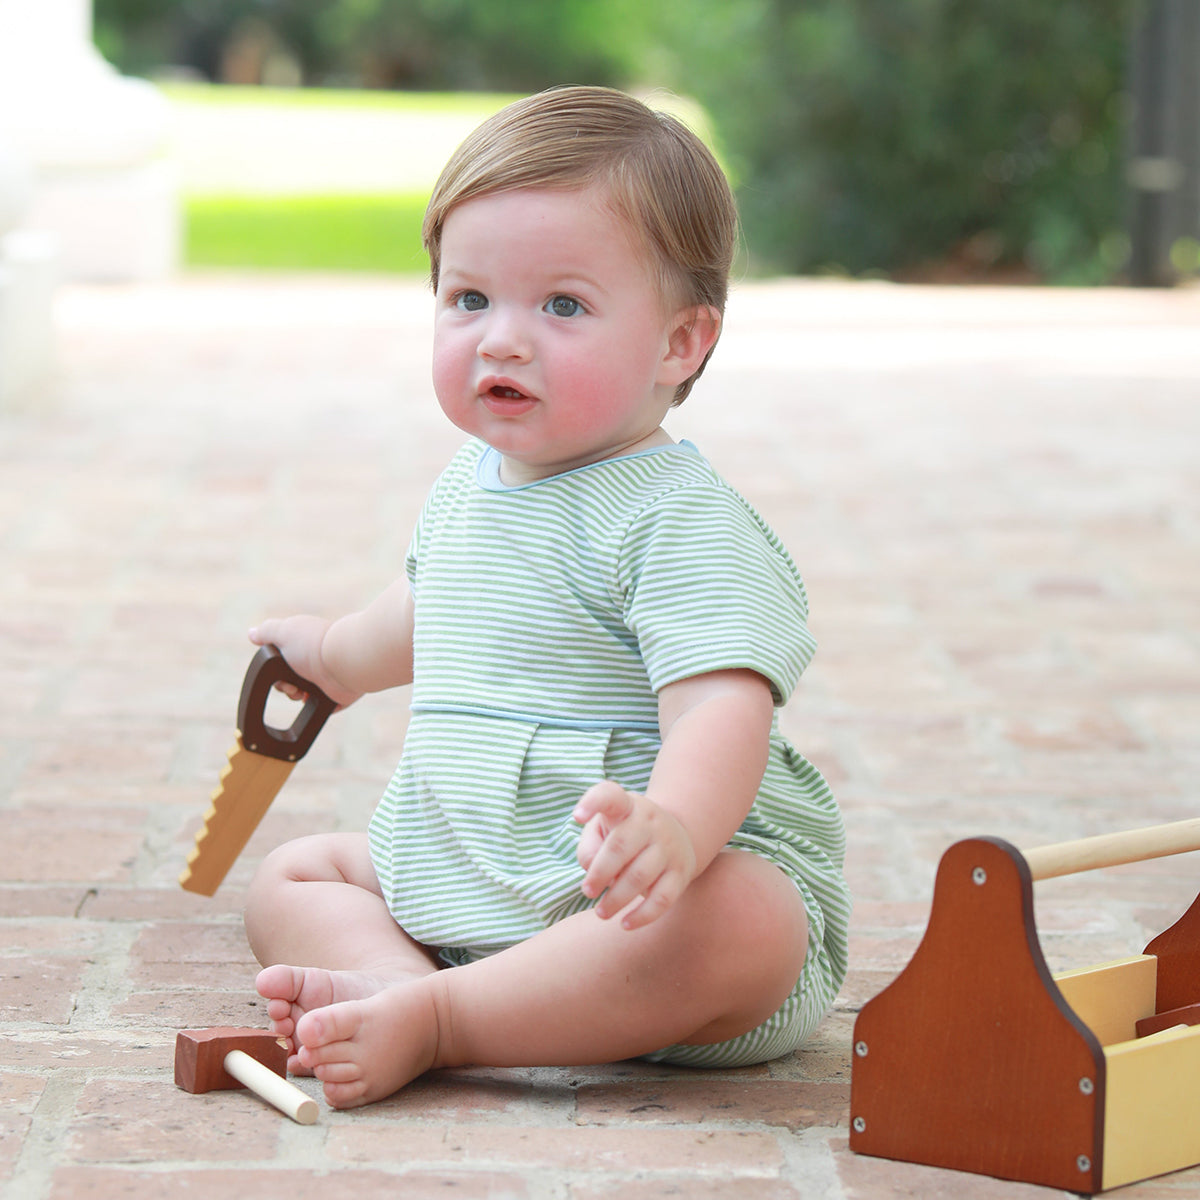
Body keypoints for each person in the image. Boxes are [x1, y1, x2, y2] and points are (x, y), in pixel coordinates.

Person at [243, 85, 850, 1109]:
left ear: (680, 344)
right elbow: (429, 615)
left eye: (562, 305)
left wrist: (677, 829)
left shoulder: (675, 517)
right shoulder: (468, 486)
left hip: (628, 897)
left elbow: (721, 708)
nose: (502, 340)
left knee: (747, 922)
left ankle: (448, 1017)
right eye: (469, 299)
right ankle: (399, 988)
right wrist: (333, 655)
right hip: (467, 877)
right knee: (296, 875)